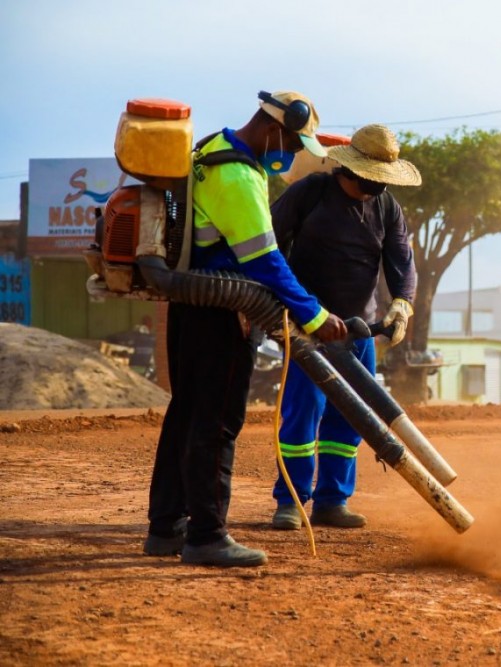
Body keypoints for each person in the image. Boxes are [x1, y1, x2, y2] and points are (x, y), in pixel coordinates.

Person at [143, 91, 348, 567]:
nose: (294, 156)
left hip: (191, 303)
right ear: (274, 128)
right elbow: (265, 261)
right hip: (220, 313)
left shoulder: (212, 151)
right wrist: (314, 315)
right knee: (217, 422)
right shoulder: (235, 175)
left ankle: (166, 527)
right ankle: (207, 536)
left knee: (187, 414)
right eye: (295, 145)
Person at [269, 124, 420, 531]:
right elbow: (269, 248)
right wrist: (279, 307)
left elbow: (402, 262)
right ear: (351, 170)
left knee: (353, 417)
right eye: (373, 178)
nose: (379, 187)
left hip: (358, 331)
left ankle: (333, 500)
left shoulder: (386, 208)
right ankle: (291, 501)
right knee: (303, 413)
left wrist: (402, 305)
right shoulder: (311, 193)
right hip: (307, 327)